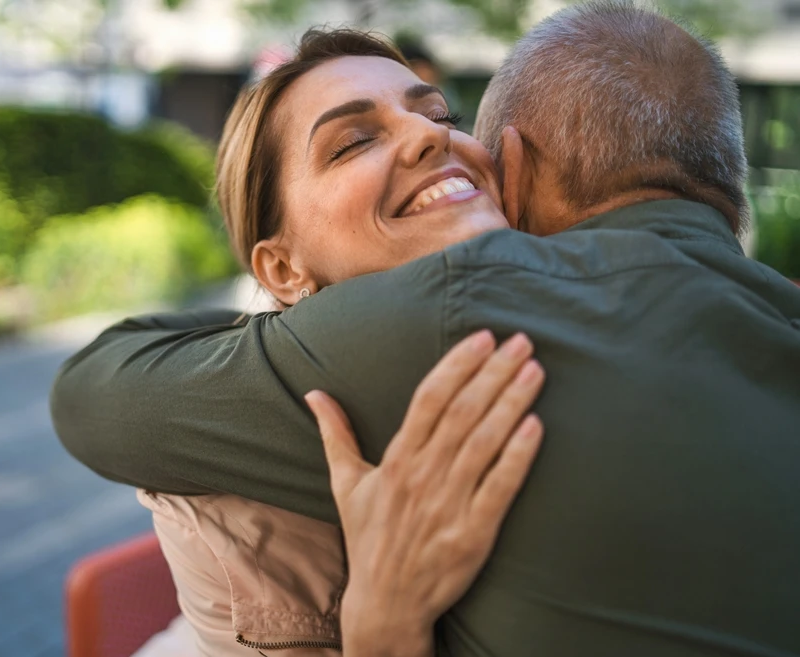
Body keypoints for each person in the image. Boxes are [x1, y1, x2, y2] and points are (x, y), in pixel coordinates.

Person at [54, 2, 800, 656]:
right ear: (281, 270)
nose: (427, 137)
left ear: (507, 168)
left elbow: (97, 383)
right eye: (351, 142)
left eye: (440, 114)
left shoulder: (458, 315)